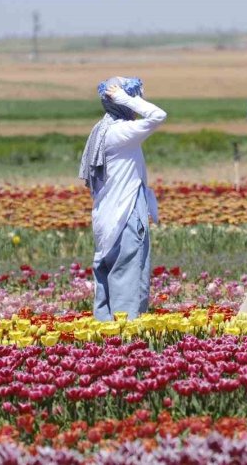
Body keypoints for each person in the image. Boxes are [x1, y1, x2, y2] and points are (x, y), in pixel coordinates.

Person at [78, 76, 167, 321]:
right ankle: (125, 339)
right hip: (125, 213)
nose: (140, 102)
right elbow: (158, 115)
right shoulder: (121, 132)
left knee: (107, 276)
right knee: (129, 276)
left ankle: (103, 333)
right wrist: (125, 97)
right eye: (137, 98)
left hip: (105, 215)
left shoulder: (101, 130)